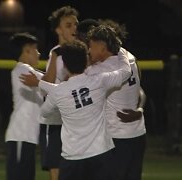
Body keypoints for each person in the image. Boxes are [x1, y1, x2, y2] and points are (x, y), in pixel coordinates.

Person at [21, 27, 131, 180]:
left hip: (72, 158)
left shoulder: (59, 92)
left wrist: (61, 104)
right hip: (101, 153)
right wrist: (122, 54)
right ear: (86, 60)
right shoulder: (100, 80)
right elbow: (126, 72)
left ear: (64, 64)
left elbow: (44, 113)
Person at [85, 19, 147, 180]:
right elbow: (140, 90)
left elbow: (74, 78)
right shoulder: (130, 57)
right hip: (138, 134)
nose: (89, 50)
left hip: (117, 138)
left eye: (91, 46)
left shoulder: (98, 71)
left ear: (103, 47)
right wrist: (140, 110)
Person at [25, 6, 79, 180]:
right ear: (58, 29)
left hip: (76, 120)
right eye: (68, 25)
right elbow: (46, 84)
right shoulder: (54, 53)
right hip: (55, 119)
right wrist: (55, 57)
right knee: (55, 167)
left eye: (75, 25)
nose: (74, 28)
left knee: (76, 168)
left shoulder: (82, 52)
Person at [5, 32, 43, 180]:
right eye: (35, 49)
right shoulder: (23, 69)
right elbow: (50, 80)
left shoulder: (28, 70)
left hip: (27, 137)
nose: (39, 53)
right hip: (21, 135)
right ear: (26, 51)